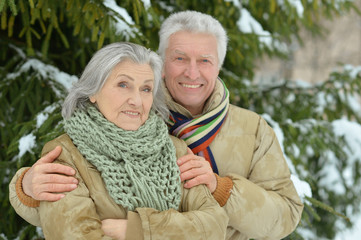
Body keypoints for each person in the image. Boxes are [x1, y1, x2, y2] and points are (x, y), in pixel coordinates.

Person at [10, 11, 304, 240]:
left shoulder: (250, 130)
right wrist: (24, 188)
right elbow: (65, 216)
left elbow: (282, 216)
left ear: (218, 66)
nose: (192, 71)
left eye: (205, 60)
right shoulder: (94, 138)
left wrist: (221, 188)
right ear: (162, 64)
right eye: (179, 58)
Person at [9, 42, 228, 239]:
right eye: (123, 84)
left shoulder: (174, 149)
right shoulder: (65, 154)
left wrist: (139, 229)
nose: (136, 100)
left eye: (146, 89)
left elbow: (214, 225)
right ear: (93, 91)